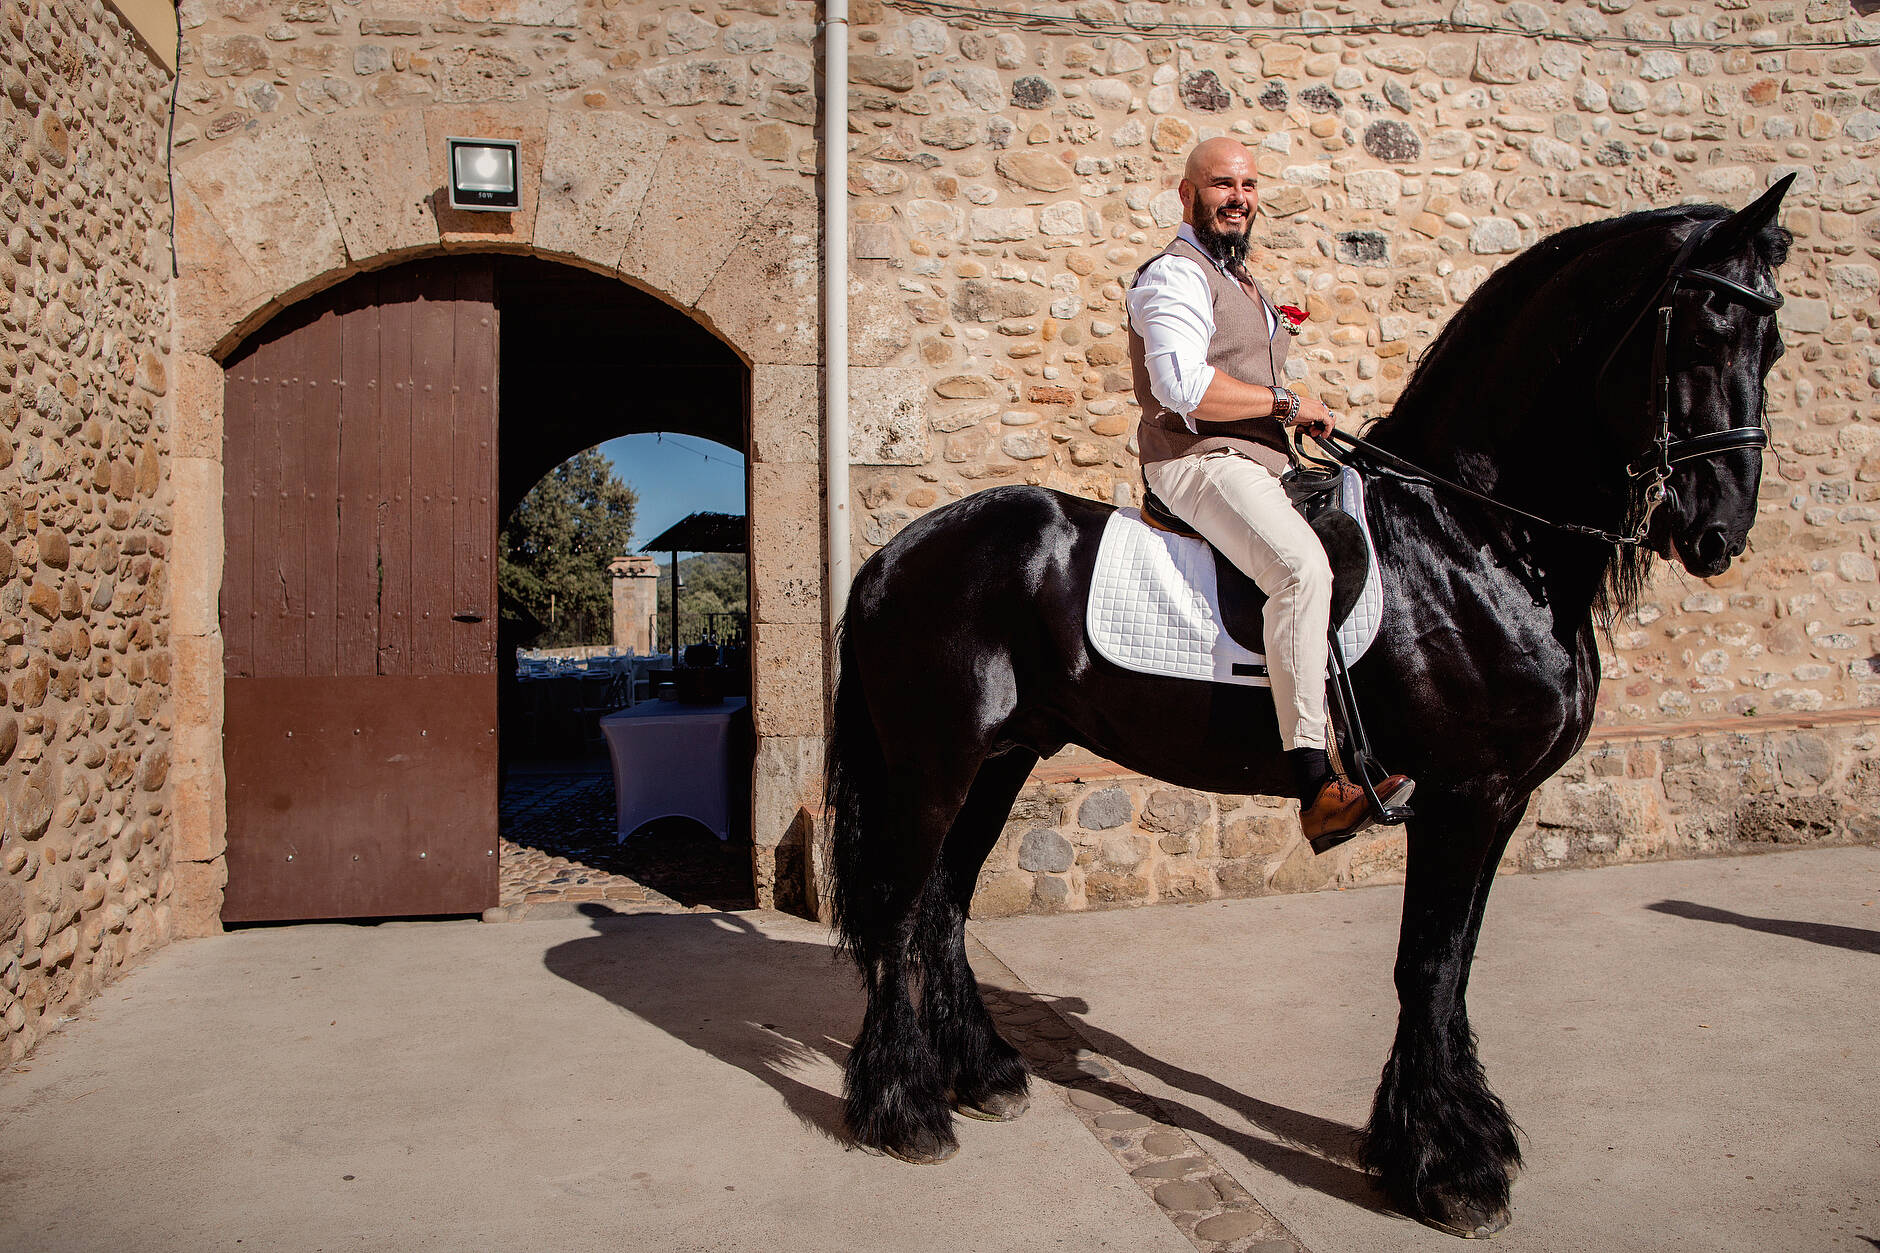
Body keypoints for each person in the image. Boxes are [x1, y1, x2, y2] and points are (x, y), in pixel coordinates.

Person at [1124, 137, 1413, 851]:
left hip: (1259, 461)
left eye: (1249, 184)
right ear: (1186, 194)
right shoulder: (1174, 276)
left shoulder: (1245, 280)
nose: (1239, 196)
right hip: (1196, 461)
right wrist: (1285, 403)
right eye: (1222, 183)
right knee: (1300, 569)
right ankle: (1317, 785)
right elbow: (1182, 387)